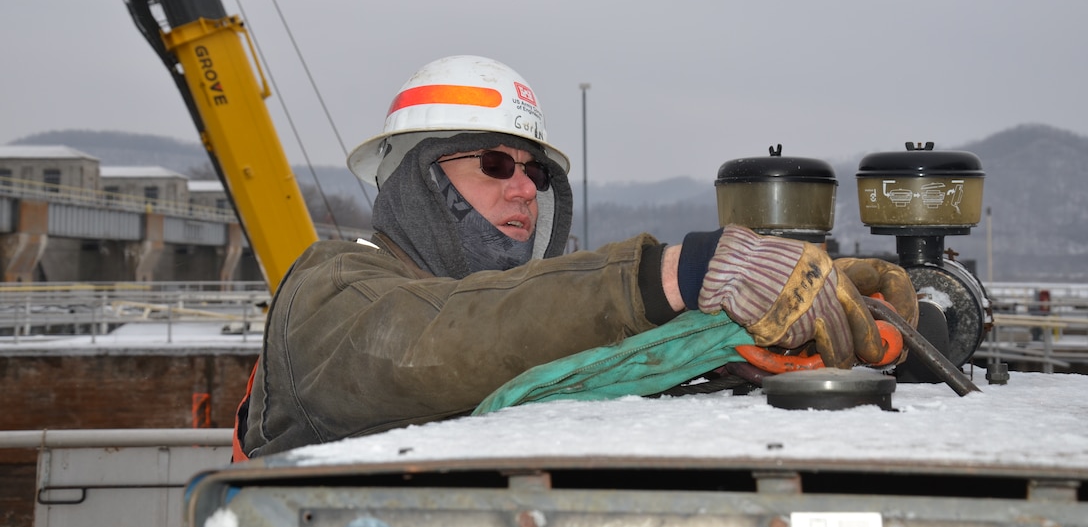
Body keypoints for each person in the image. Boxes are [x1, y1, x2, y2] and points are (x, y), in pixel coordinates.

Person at [234, 55, 917, 459]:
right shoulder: (331, 290)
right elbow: (444, 339)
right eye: (496, 163)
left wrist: (711, 340)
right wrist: (676, 271)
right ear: (418, 179)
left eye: (535, 172)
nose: (524, 188)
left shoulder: (519, 310)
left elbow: (537, 333)